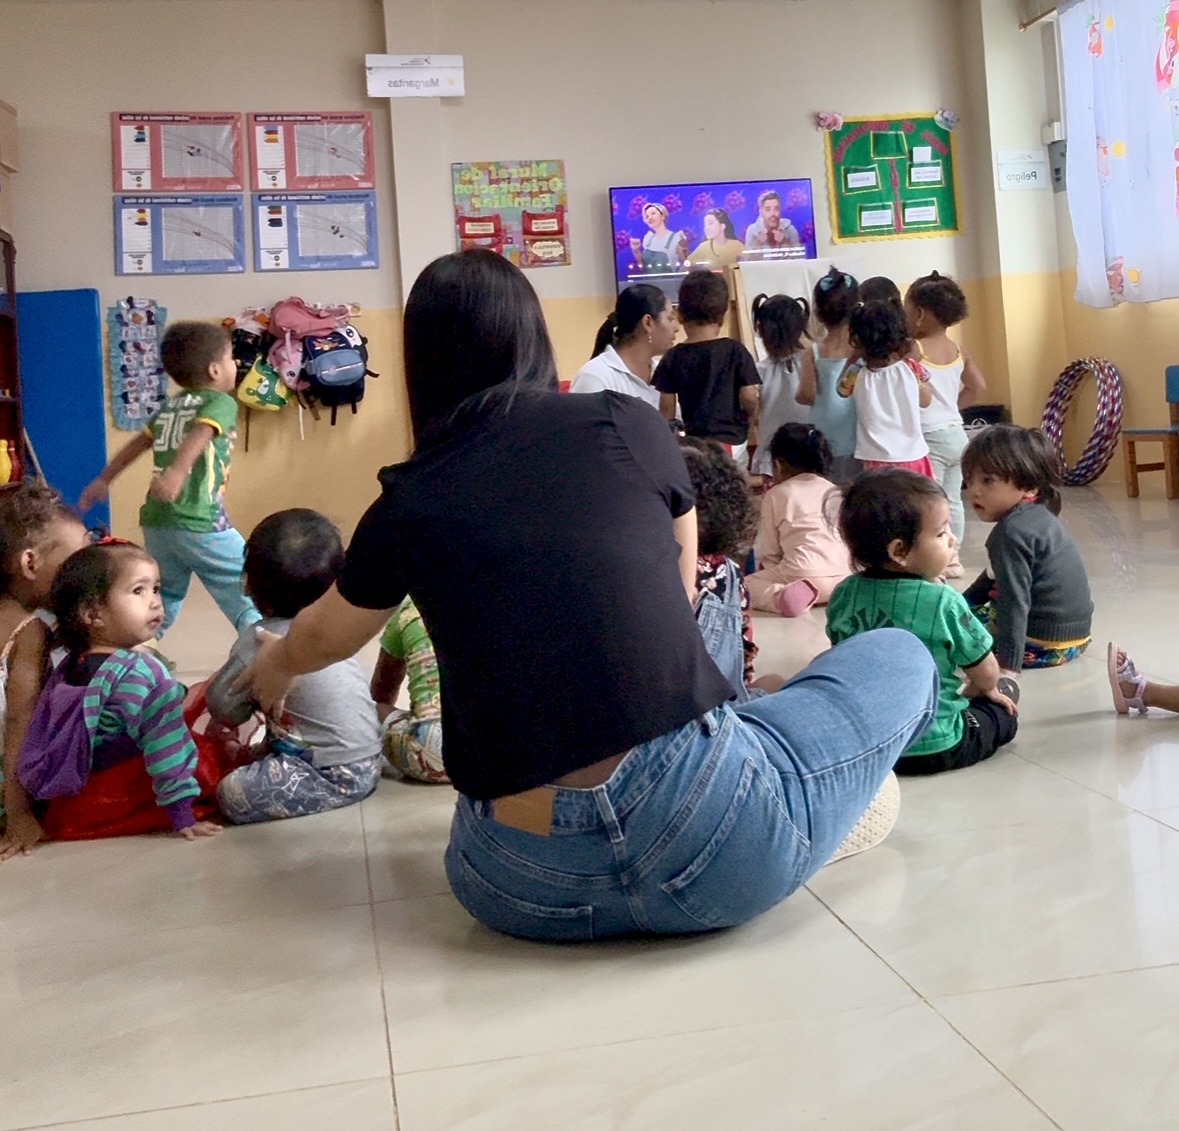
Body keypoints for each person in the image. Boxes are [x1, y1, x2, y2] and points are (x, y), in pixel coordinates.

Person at [237, 249, 938, 941]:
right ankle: (792, 797)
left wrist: (273, 666)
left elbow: (323, 637)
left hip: (510, 882)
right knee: (897, 655)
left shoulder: (408, 496)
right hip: (711, 846)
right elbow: (680, 607)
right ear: (533, 338)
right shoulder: (626, 424)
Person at [18, 543, 223, 839]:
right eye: (138, 591)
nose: (155, 602)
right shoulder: (140, 671)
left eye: (156, 589)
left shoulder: (68, 666)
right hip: (118, 801)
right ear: (93, 614)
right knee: (206, 747)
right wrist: (182, 814)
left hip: (71, 807)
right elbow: (166, 747)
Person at [828, 471, 1018, 774]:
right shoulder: (944, 602)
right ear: (899, 551)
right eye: (941, 534)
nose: (952, 539)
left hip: (870, 747)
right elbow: (987, 671)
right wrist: (987, 689)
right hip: (938, 743)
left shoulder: (844, 594)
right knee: (1001, 714)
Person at [79, 321, 258, 639]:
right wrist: (177, 471)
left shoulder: (170, 406)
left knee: (166, 594)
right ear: (215, 370)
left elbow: (138, 444)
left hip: (158, 521)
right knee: (246, 584)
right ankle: (263, 644)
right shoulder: (219, 402)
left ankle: (143, 648)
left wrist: (104, 478)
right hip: (200, 519)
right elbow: (202, 432)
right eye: (231, 357)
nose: (236, 364)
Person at [205, 510, 383, 822]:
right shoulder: (334, 632)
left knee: (231, 792)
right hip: (369, 756)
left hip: (330, 773)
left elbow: (224, 707)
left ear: (248, 584)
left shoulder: (258, 640)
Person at [0, 486, 91, 857]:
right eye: (75, 562)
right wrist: (19, 814)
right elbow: (19, 724)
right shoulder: (28, 632)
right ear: (30, 563)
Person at [962, 425, 1093, 674]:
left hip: (1038, 645)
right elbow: (992, 575)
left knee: (947, 625)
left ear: (1030, 486)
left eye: (988, 481)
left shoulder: (1010, 532)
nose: (974, 491)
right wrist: (963, 602)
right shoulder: (1038, 515)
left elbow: (1013, 601)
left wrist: (1008, 667)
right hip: (1075, 640)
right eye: (969, 481)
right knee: (957, 609)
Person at [905, 271, 986, 579]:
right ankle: (952, 558)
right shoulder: (957, 349)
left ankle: (935, 560)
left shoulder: (916, 349)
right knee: (953, 500)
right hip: (956, 434)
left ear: (920, 314)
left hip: (930, 438)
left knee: (930, 502)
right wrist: (952, 408)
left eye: (906, 310)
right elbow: (978, 386)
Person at [747, 423, 851, 618]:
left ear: (778, 464)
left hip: (803, 576)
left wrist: (772, 575)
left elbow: (769, 552)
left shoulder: (777, 494)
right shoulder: (834, 490)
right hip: (845, 578)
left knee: (745, 585)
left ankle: (782, 597)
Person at [681, 438, 758, 691]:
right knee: (774, 681)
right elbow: (743, 650)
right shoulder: (731, 573)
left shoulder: (647, 567)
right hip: (722, 700)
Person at [653, 269, 761, 450]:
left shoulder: (672, 356)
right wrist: (749, 419)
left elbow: (666, 408)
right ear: (723, 316)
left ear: (680, 315)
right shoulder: (735, 351)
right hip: (732, 442)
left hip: (694, 444)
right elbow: (749, 396)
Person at [839, 298, 932, 473]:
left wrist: (852, 359)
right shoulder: (911, 367)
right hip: (913, 455)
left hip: (876, 459)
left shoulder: (856, 372)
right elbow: (926, 401)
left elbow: (841, 391)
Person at [371, 597, 448, 784]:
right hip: (499, 756)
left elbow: (383, 689)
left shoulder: (410, 609)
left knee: (371, 707)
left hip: (432, 755)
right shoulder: (497, 604)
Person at [795, 266, 859, 485]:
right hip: (858, 436)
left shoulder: (812, 352)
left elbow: (806, 394)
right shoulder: (862, 350)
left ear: (817, 312)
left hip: (825, 438)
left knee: (827, 493)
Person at [569, 284, 678, 407]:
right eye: (670, 318)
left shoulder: (663, 372)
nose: (676, 328)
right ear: (648, 322)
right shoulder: (594, 377)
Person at [749, 293, 811, 477]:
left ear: (760, 330)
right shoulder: (813, 362)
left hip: (774, 462)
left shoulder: (758, 371)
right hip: (810, 453)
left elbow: (753, 414)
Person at [629, 202, 687, 273]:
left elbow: (686, 264)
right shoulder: (648, 239)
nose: (650, 217)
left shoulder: (676, 238)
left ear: (663, 216)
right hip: (648, 280)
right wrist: (636, 251)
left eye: (653, 213)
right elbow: (643, 266)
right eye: (647, 216)